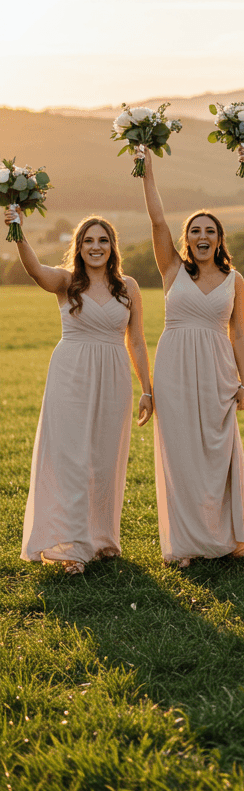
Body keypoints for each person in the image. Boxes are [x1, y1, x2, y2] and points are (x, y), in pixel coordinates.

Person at [6, 206, 153, 576]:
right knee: (71, 458)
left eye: (103, 240)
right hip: (70, 373)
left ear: (112, 246)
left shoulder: (128, 286)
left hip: (114, 376)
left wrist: (147, 389)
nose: (96, 246)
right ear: (79, 246)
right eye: (89, 240)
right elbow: (36, 271)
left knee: (105, 459)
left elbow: (135, 341)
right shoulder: (66, 280)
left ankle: (101, 539)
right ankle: (70, 547)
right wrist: (17, 228)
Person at [140, 152, 244, 567]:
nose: (201, 236)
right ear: (186, 239)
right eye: (194, 230)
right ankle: (184, 543)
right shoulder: (171, 270)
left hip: (219, 374)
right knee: (180, 455)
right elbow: (156, 221)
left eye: (210, 231)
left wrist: (243, 382)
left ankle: (222, 539)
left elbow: (238, 332)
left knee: (216, 455)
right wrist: (147, 170)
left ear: (219, 240)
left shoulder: (234, 281)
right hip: (174, 372)